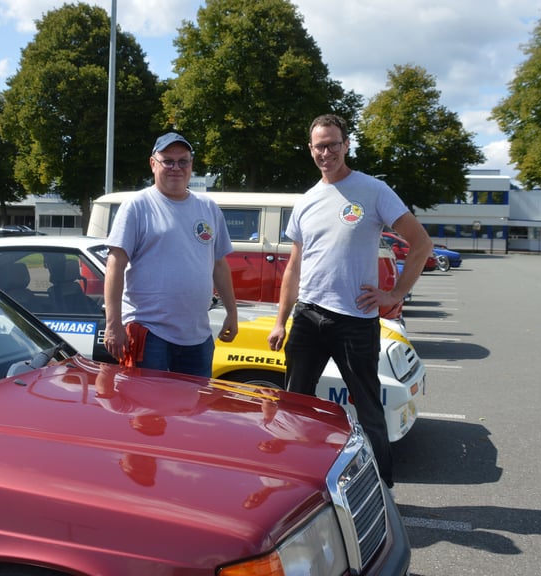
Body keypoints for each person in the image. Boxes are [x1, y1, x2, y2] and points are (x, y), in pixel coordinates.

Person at [266, 114, 432, 489]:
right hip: (308, 317)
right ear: (310, 150)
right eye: (319, 146)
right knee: (295, 406)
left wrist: (395, 294)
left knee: (369, 410)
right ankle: (297, 486)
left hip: (355, 321)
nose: (326, 152)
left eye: (333, 144)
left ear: (346, 145)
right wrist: (281, 320)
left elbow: (421, 244)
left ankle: (382, 490)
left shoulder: (373, 191)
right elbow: (293, 267)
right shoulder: (307, 200)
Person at [103, 132, 238, 377]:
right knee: (146, 411)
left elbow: (219, 265)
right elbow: (115, 265)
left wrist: (232, 312)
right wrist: (113, 325)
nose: (176, 168)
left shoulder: (208, 208)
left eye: (183, 161)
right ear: (153, 164)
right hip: (150, 332)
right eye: (168, 161)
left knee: (192, 412)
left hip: (197, 336)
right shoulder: (137, 206)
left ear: (191, 165)